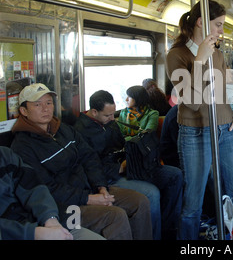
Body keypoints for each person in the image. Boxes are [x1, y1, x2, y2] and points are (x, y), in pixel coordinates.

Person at [10, 83, 153, 240]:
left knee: (139, 202)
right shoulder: (22, 147)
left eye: (49, 103)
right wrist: (88, 199)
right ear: (24, 111)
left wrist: (101, 187)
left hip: (89, 189)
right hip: (63, 208)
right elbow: (44, 188)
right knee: (114, 216)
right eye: (38, 105)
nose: (46, 109)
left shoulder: (63, 130)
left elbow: (89, 157)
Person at [165, 0, 233, 240]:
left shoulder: (219, 54)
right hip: (195, 132)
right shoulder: (176, 55)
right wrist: (199, 61)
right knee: (193, 205)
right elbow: (191, 101)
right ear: (201, 22)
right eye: (218, 25)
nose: (221, 31)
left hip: (227, 130)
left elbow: (231, 91)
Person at [74, 90, 183, 240]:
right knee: (151, 193)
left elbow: (123, 143)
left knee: (174, 175)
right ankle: (154, 236)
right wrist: (120, 167)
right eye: (108, 115)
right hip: (112, 175)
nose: (113, 118)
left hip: (129, 164)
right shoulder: (81, 133)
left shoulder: (110, 123)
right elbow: (91, 165)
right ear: (94, 112)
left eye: (113, 114)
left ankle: (169, 230)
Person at [0, 146, 104, 240]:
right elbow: (52, 187)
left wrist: (50, 218)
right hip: (22, 232)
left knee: (114, 216)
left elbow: (34, 187)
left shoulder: (5, 155)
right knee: (113, 215)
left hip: (48, 218)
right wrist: (33, 233)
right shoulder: (23, 145)